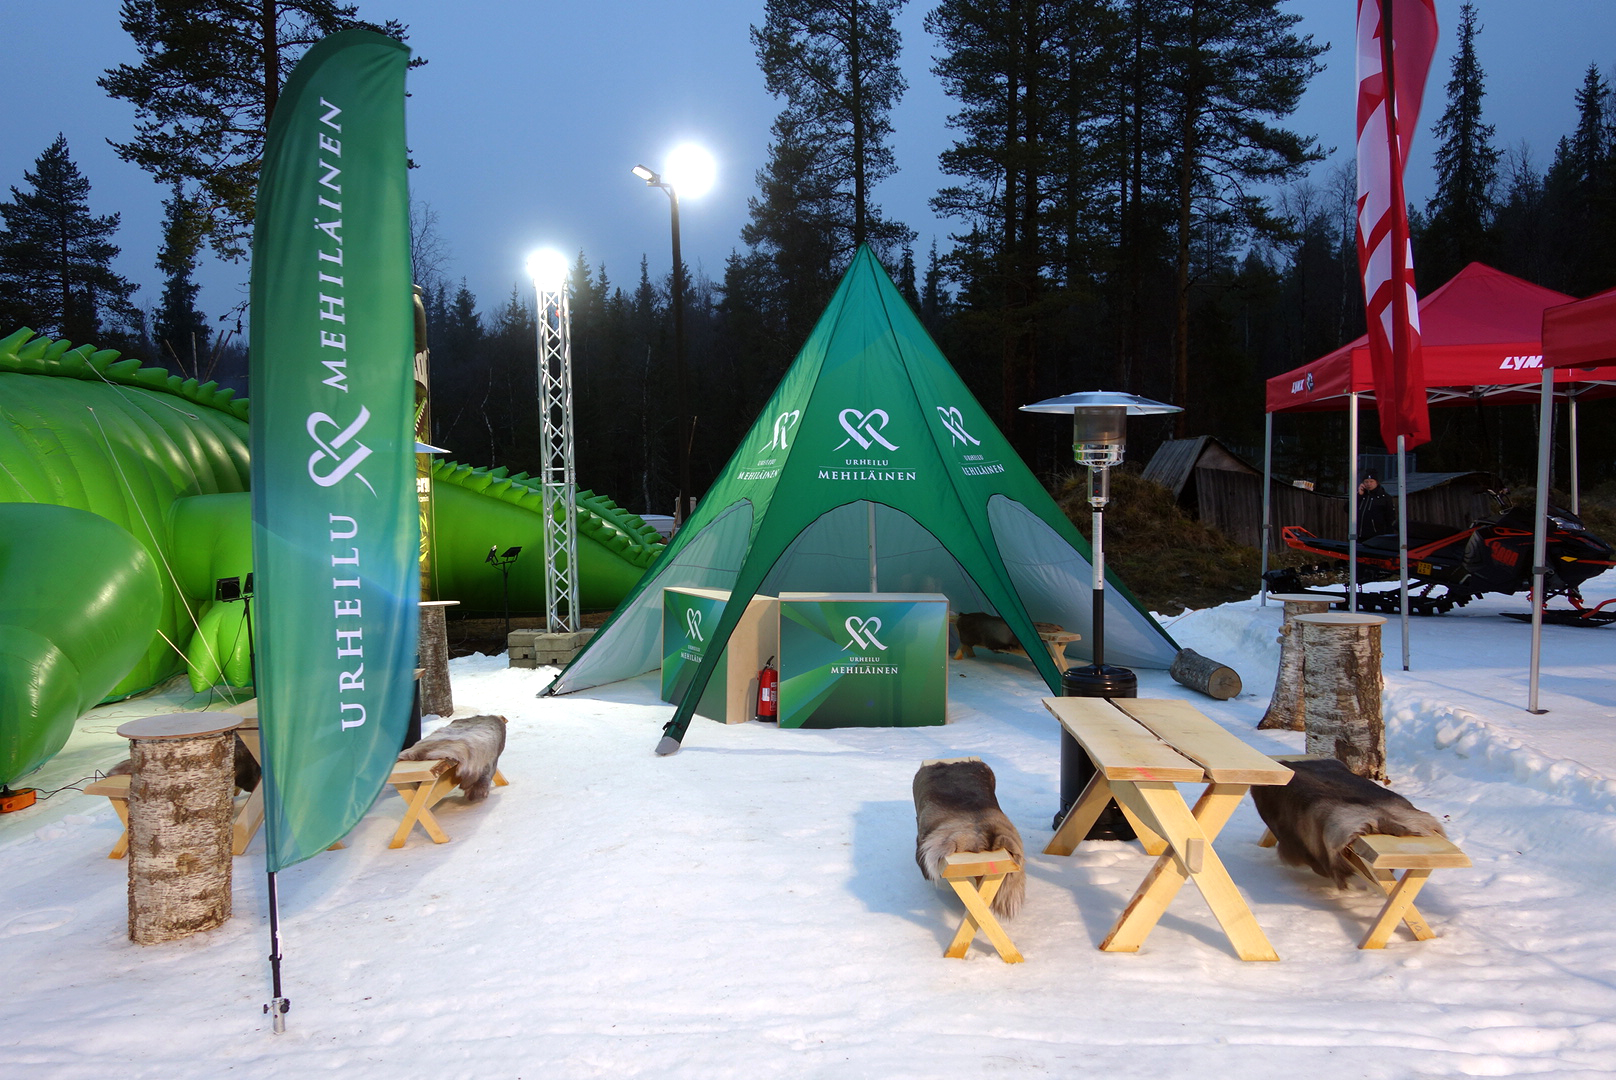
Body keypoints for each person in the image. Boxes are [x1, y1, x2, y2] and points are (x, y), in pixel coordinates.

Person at [1357, 473, 1397, 539]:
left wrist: (1388, 535)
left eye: (1371, 481)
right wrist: (1359, 495)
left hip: (1376, 536)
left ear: (1376, 482)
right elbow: (1347, 509)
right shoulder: (1362, 496)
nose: (1369, 484)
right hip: (1359, 535)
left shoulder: (1384, 498)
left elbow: (1390, 517)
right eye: (1366, 482)